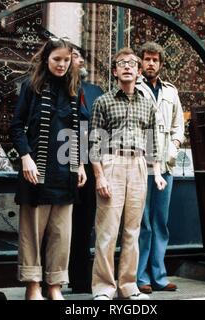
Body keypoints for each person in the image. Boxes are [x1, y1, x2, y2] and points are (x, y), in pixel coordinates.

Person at [9, 37, 87, 300]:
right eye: (57, 59)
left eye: (66, 60)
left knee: (61, 234)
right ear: (46, 59)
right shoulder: (31, 86)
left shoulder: (75, 88)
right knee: (32, 232)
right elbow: (16, 126)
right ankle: (33, 286)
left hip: (65, 172)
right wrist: (25, 157)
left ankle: (54, 286)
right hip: (36, 170)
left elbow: (79, 130)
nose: (62, 65)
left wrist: (81, 164)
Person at [89, 47, 167, 300]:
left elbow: (153, 144)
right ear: (115, 71)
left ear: (139, 70)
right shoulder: (103, 102)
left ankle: (128, 287)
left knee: (132, 230)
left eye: (132, 63)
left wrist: (157, 173)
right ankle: (103, 288)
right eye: (121, 63)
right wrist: (99, 175)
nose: (127, 67)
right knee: (107, 230)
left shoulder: (148, 105)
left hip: (138, 165)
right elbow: (94, 143)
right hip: (111, 162)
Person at [135, 42, 184, 294]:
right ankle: (140, 277)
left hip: (165, 166)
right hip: (141, 166)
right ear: (141, 62)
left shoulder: (171, 92)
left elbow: (179, 126)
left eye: (155, 60)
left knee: (160, 222)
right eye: (147, 59)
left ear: (161, 64)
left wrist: (174, 147)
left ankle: (159, 276)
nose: (151, 63)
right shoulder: (134, 87)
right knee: (142, 223)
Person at [68, 47, 104, 293]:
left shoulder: (95, 91)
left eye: (79, 56)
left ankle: (81, 280)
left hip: (90, 166)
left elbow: (98, 130)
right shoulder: (55, 88)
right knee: (58, 225)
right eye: (74, 55)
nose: (80, 59)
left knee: (84, 223)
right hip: (61, 163)